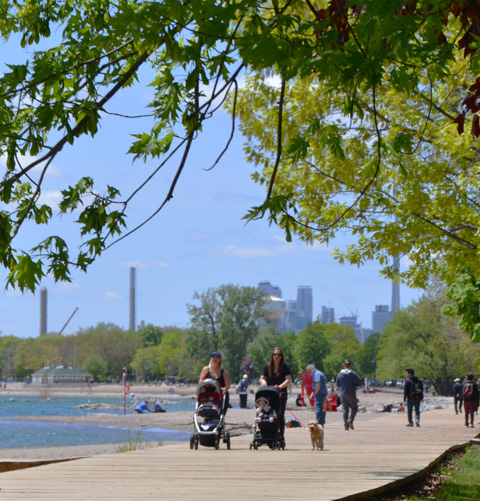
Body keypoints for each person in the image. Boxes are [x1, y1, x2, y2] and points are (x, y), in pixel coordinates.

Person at [259, 347, 292, 444]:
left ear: (281, 357)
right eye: (275, 354)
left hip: (280, 393)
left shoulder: (285, 367)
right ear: (272, 356)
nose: (276, 356)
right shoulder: (267, 367)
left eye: (278, 355)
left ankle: (281, 435)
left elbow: (288, 380)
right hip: (269, 393)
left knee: (280, 414)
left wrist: (280, 386)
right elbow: (262, 378)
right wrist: (263, 382)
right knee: (266, 412)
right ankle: (267, 433)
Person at [336, 359, 362, 430]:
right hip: (351, 393)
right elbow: (359, 382)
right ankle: (350, 420)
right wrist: (355, 385)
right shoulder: (353, 373)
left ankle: (346, 426)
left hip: (343, 394)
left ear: (343, 365)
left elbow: (337, 384)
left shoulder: (340, 374)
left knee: (345, 409)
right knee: (354, 408)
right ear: (350, 365)